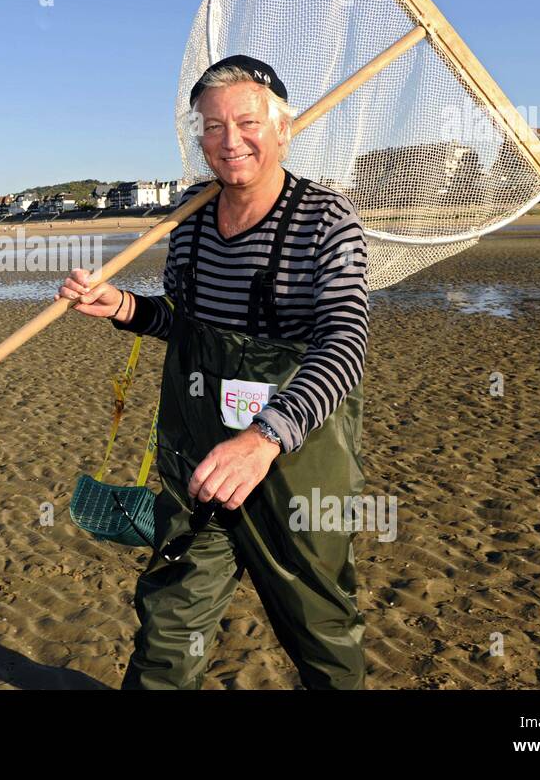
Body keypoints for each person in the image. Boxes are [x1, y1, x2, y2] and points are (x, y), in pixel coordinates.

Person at [57, 55, 369, 689]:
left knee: (322, 630)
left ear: (283, 128)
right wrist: (120, 306)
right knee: (169, 623)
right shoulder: (191, 225)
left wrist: (264, 438)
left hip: (294, 465)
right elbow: (183, 325)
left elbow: (343, 344)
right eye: (213, 127)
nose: (231, 141)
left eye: (248, 121)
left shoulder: (327, 222)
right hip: (198, 460)